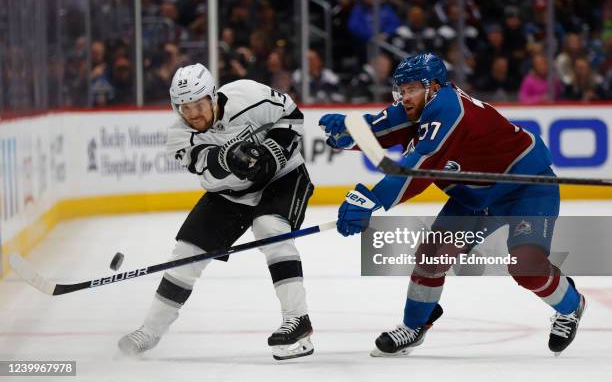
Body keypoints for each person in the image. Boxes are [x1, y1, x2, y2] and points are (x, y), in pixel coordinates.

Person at [319, 53, 586, 357]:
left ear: (433, 86)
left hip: (525, 188)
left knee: (526, 266)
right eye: (401, 90)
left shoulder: (447, 110)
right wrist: (350, 133)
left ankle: (571, 307)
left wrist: (373, 198)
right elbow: (380, 127)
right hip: (474, 197)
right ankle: (415, 325)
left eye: (411, 89)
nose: (404, 97)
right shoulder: (418, 104)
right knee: (431, 256)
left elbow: (417, 169)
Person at [119, 63, 315, 360]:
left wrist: (271, 154)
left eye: (199, 104)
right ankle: (150, 331)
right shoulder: (179, 137)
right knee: (186, 254)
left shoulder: (248, 94)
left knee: (270, 228)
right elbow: (206, 161)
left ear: (212, 97)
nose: (194, 114)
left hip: (283, 177)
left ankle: (298, 319)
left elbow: (292, 115)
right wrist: (228, 158)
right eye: (185, 108)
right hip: (231, 192)